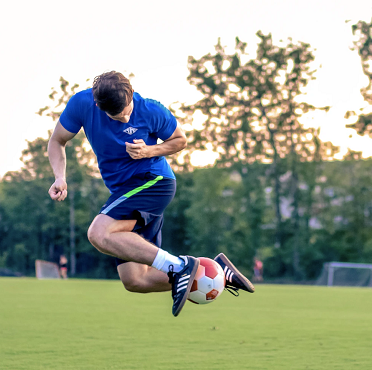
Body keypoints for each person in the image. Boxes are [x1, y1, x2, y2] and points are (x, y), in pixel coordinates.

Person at [47, 71, 254, 316]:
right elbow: (57, 141)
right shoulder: (81, 104)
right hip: (124, 191)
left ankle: (180, 266)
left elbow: (179, 140)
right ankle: (218, 274)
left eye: (126, 110)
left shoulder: (151, 111)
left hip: (154, 182)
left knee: (98, 233)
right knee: (136, 280)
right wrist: (60, 176)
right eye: (116, 116)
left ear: (132, 93)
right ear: (97, 105)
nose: (124, 119)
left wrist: (150, 151)